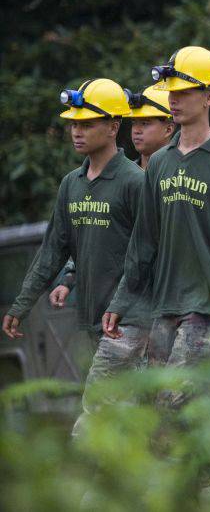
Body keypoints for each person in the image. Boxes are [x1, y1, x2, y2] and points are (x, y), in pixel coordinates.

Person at [104, 46, 210, 393]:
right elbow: (144, 241)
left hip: (209, 308)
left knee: (176, 402)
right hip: (165, 306)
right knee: (158, 412)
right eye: (171, 93)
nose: (174, 100)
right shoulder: (160, 163)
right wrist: (121, 301)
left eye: (184, 93)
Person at [1, 79, 149, 432]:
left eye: (86, 124)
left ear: (114, 127)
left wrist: (123, 304)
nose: (76, 132)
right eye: (73, 124)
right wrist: (21, 305)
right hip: (94, 320)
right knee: (132, 419)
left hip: (131, 322)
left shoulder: (134, 182)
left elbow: (148, 252)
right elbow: (54, 249)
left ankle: (93, 488)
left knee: (92, 422)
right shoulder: (72, 184)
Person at [125, 85, 176, 169]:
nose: (136, 130)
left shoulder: (181, 175)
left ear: (168, 129)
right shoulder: (125, 174)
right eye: (133, 122)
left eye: (144, 123)